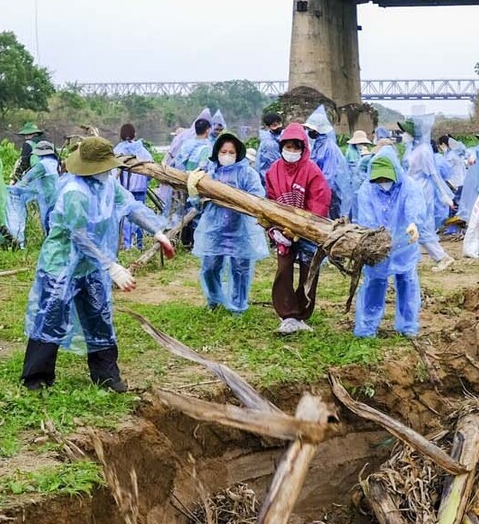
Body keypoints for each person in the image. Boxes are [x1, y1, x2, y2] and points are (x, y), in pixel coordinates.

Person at [21, 136, 175, 392]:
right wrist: (111, 266)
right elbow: (78, 236)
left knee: (98, 315)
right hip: (61, 265)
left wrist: (157, 231)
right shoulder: (74, 192)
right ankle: (37, 378)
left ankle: (107, 376)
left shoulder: (107, 184)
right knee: (51, 317)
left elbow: (130, 206)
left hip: (92, 266)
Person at [189, 130, 269, 314]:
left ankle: (238, 306)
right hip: (214, 229)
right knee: (209, 267)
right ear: (216, 153)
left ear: (238, 153)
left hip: (239, 229)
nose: (227, 156)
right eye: (223, 152)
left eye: (231, 152)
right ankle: (214, 300)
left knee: (240, 269)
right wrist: (196, 193)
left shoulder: (248, 173)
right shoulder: (208, 174)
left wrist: (238, 199)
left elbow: (257, 198)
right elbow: (197, 204)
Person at [264, 124, 331, 333]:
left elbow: (320, 200)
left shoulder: (312, 171)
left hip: (308, 229)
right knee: (283, 269)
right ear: (281, 146)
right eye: (288, 146)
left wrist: (302, 228)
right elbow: (271, 199)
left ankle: (302, 313)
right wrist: (279, 226)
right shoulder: (274, 170)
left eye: (296, 147)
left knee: (308, 270)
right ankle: (287, 314)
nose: (291, 151)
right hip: (283, 230)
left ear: (303, 148)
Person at [351, 155, 423, 337]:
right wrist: (376, 242)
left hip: (404, 242)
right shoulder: (367, 189)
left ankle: (408, 325)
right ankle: (367, 326)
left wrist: (413, 223)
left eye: (387, 178)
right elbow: (366, 218)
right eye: (379, 179)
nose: (383, 182)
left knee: (406, 280)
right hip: (378, 245)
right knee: (375, 280)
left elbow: (412, 207)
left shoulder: (408, 186)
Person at [6, 140, 63, 245]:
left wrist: (13, 187)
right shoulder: (58, 163)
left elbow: (27, 179)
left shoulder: (42, 165)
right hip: (59, 197)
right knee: (57, 221)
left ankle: (50, 244)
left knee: (47, 220)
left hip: (48, 197)